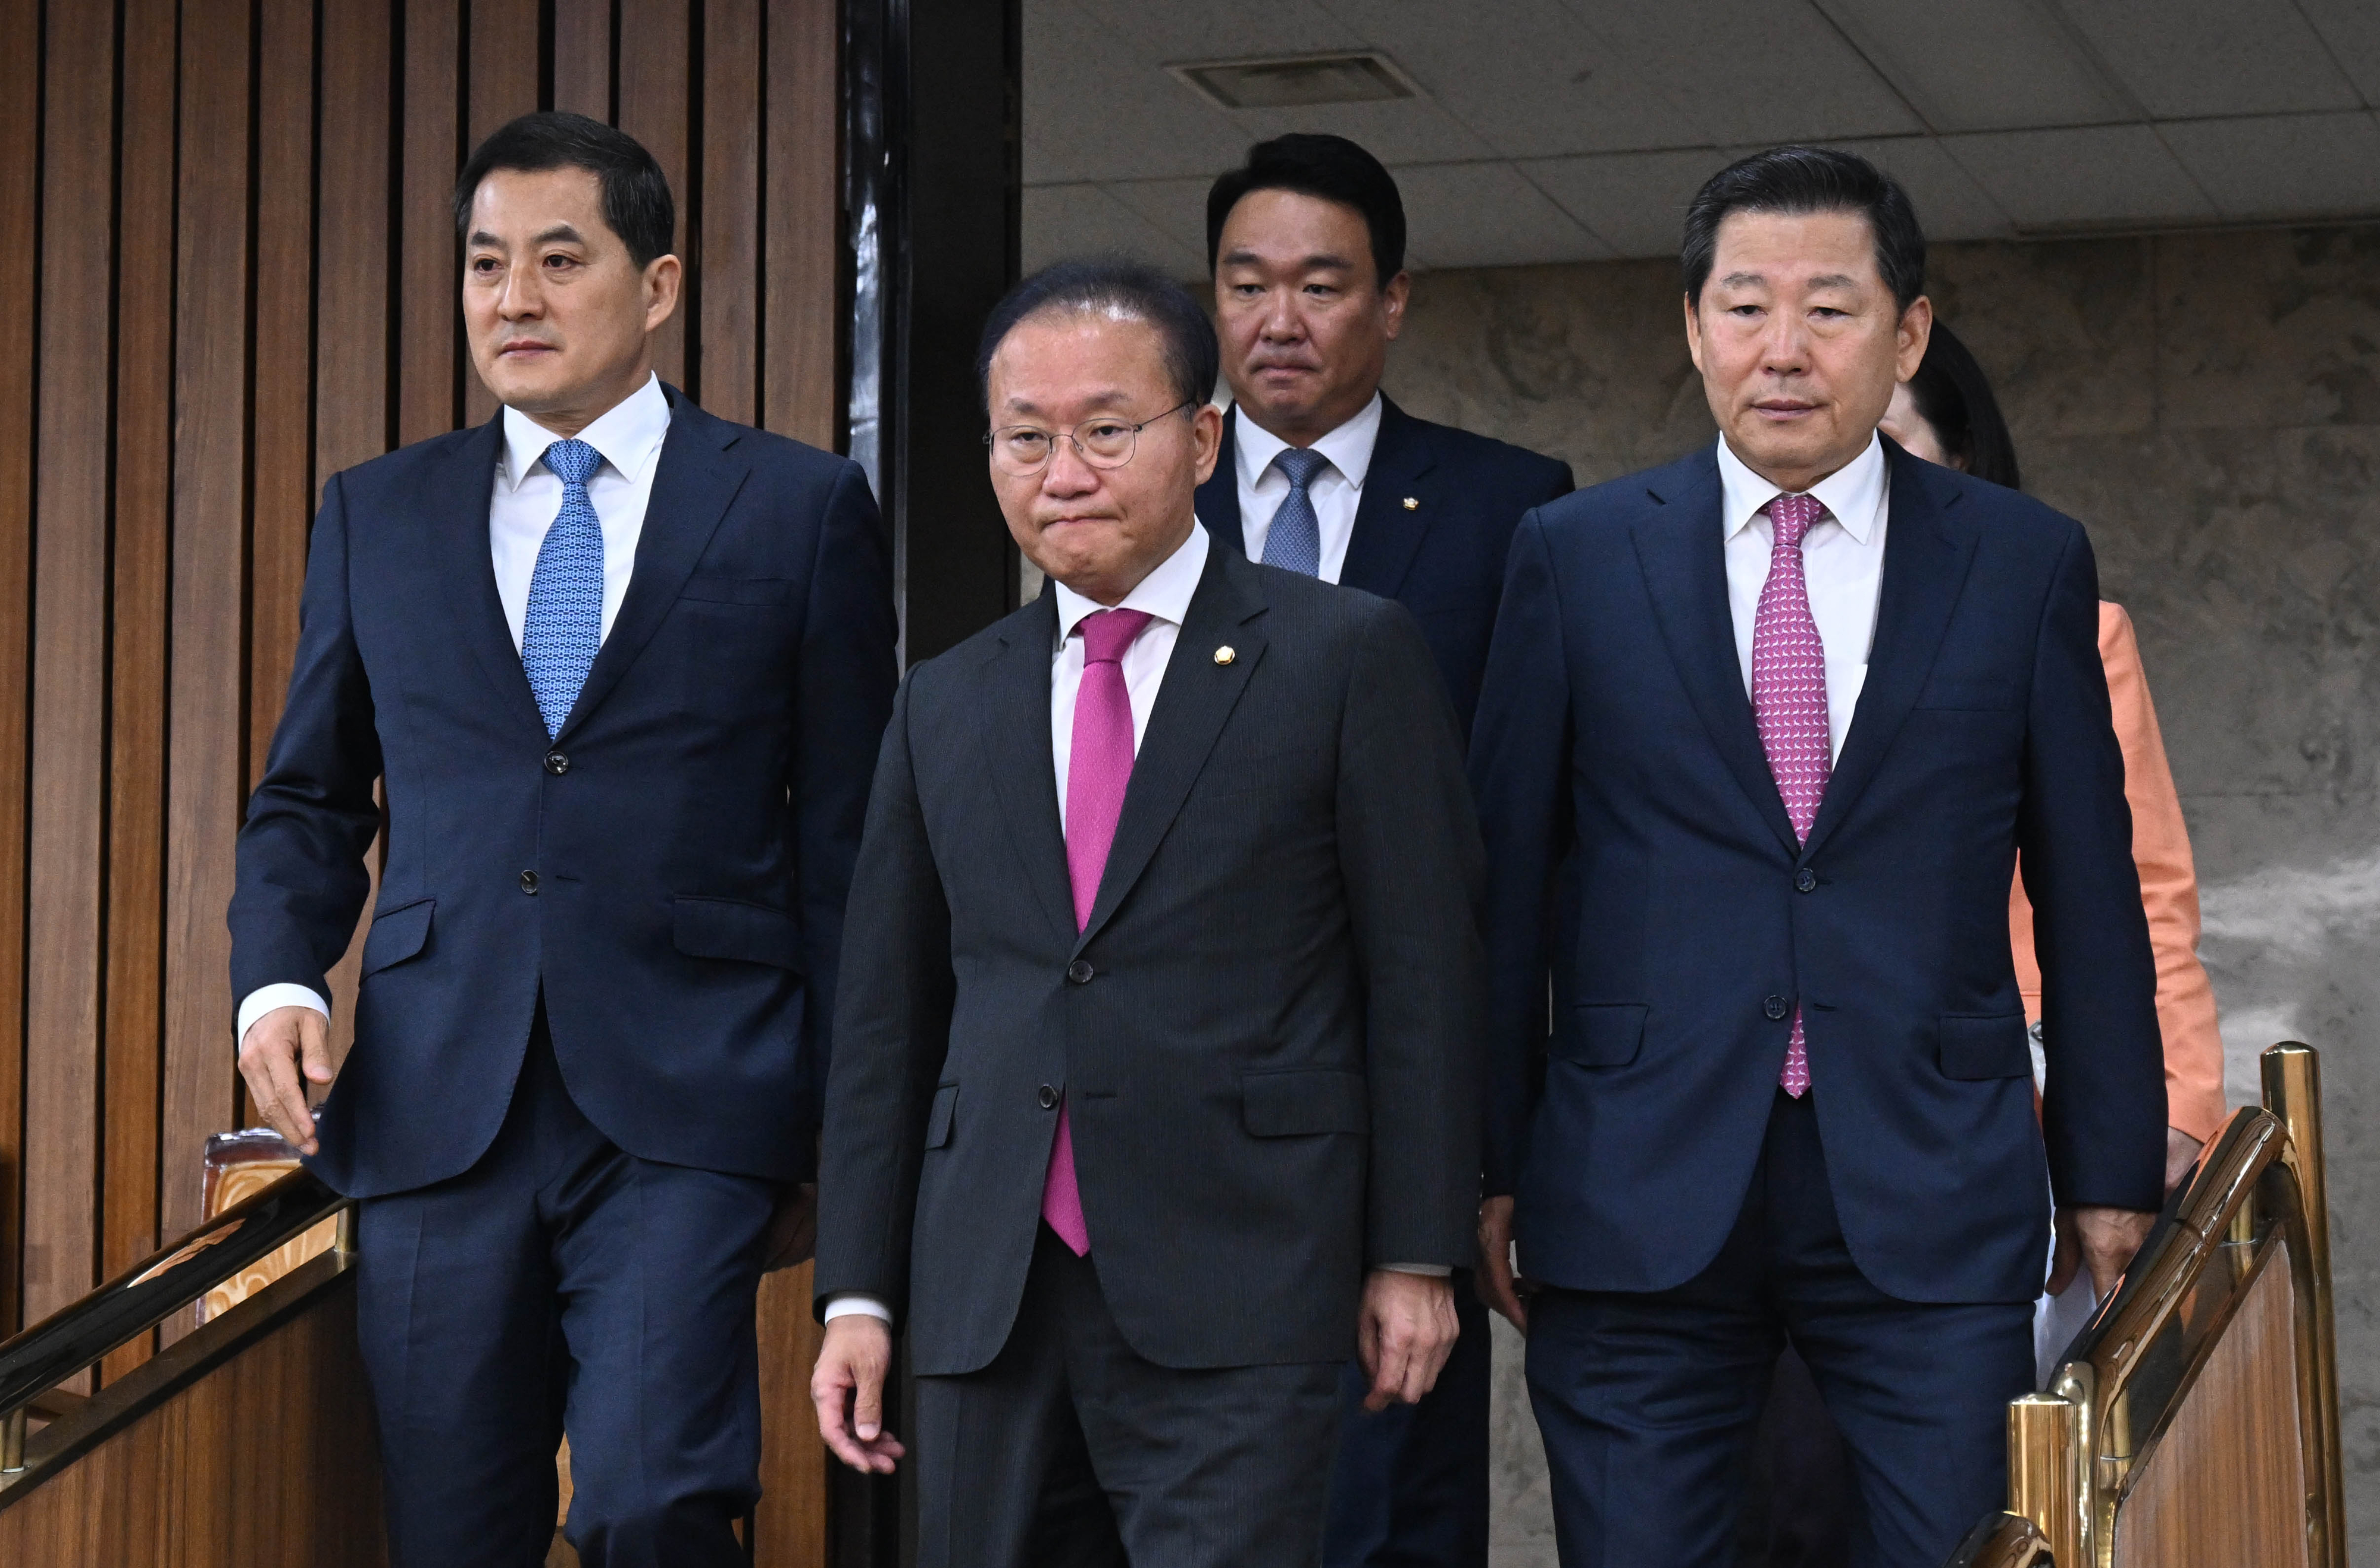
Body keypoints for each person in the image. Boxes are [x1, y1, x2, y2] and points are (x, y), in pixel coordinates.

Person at [1467, 146, 2168, 1567]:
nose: (1780, 350)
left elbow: (2090, 892)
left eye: (1829, 310)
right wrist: (1479, 1162)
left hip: (1928, 1184)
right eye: (1742, 307)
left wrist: (2107, 1168)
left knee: (1968, 1549)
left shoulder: (2021, 561)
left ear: (1907, 332)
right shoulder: (1574, 554)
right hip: (1631, 1187)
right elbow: (1499, 892)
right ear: (1691, 326)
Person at [228, 111, 897, 1567]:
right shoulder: (377, 514)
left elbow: (852, 846)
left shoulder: (794, 508)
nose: (510, 299)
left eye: (555, 259)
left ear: (656, 286)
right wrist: (277, 978)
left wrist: (846, 1130)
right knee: (454, 1530)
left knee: (656, 1498)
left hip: (690, 1095)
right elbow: (310, 794)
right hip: (431, 1101)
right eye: (484, 265)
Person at [809, 258, 1485, 1568]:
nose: (1063, 470)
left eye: (1105, 431)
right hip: (987, 1294)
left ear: (1202, 438)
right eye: (1025, 436)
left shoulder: (1344, 655)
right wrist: (858, 1291)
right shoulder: (946, 699)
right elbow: (887, 1019)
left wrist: (1415, 1251)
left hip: (1241, 1271)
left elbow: (1423, 976)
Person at [1740, 321, 2231, 1567]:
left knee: (1971, 1507)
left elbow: (2136, 896)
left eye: (1894, 448)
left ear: (1961, 467)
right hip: (1760, 1131)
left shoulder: (2059, 625)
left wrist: (2160, 1120)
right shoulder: (1724, 616)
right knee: (1790, 1494)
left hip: (1978, 1143)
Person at [1195, 131, 1573, 1568]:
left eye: (1319, 284)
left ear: (1393, 301)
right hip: (1183, 1098)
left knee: (1387, 1507)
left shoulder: (1510, 505)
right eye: (1244, 285)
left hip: (1405, 1112)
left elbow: (1536, 843)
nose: (1277, 320)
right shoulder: (1137, 500)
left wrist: (1500, 1149)